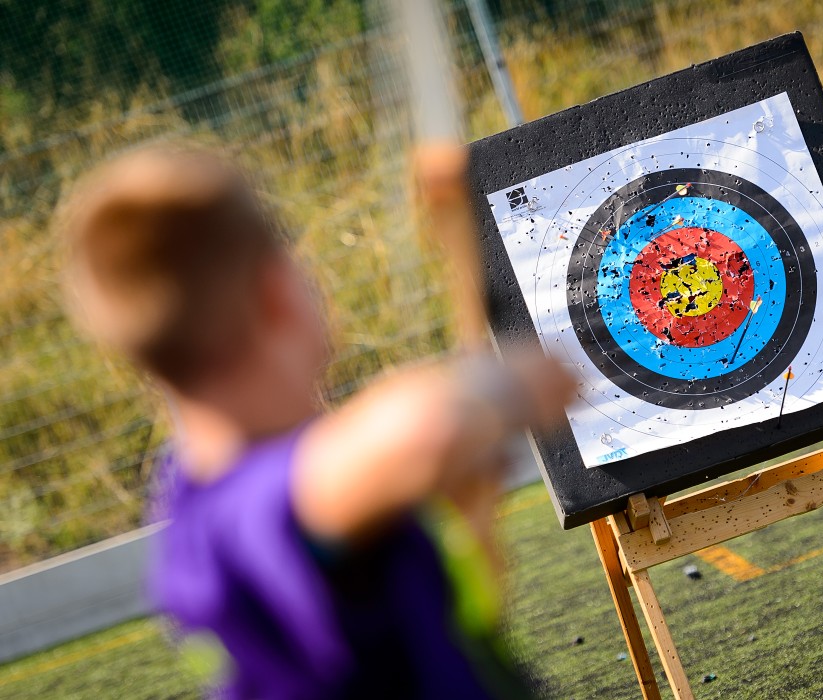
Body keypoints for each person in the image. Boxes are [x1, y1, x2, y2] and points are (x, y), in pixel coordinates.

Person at [57, 142, 575, 699]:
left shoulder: (190, 493)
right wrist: (511, 383)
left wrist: (468, 517)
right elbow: (427, 429)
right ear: (276, 293)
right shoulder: (249, 503)